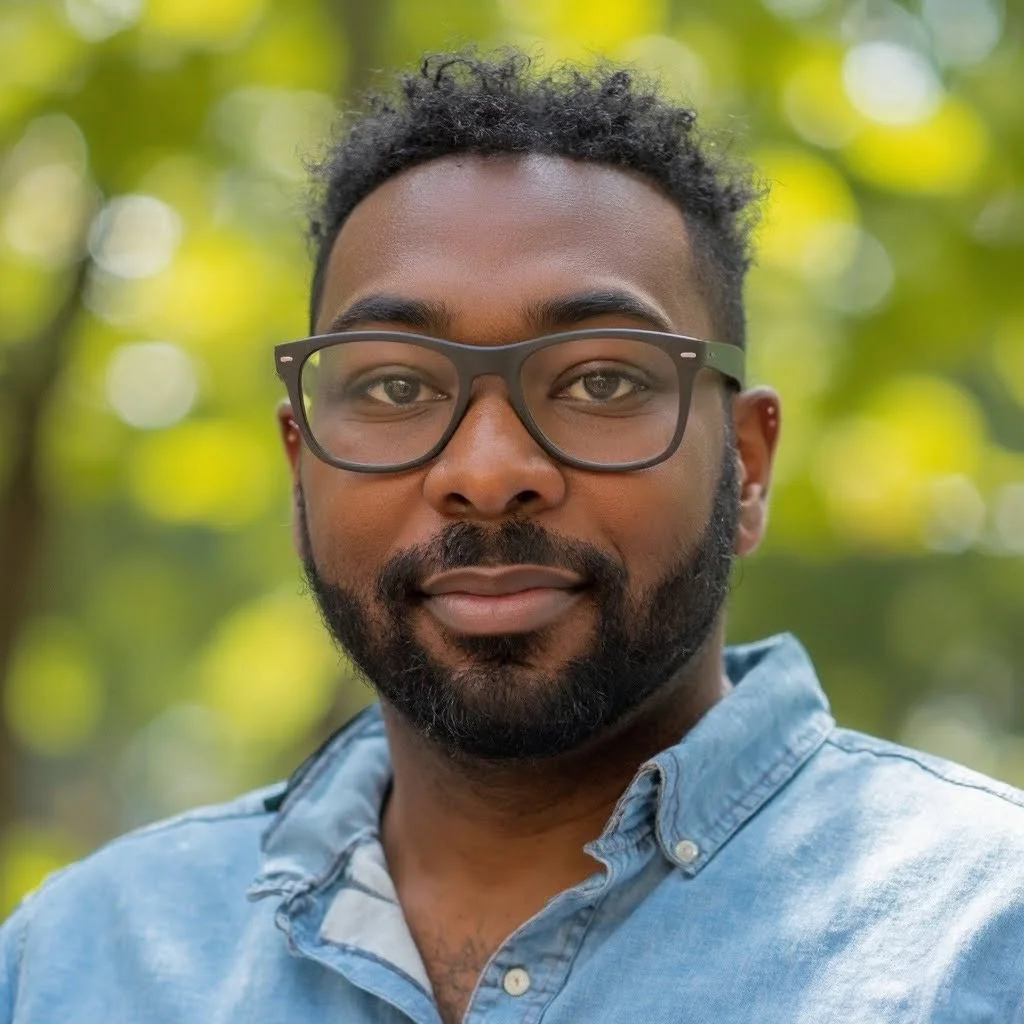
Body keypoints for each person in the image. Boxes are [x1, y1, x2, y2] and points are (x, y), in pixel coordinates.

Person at [2, 50, 1023, 1024]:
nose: (487, 475)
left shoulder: (982, 937)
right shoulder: (77, 962)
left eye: (600, 380)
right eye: (395, 385)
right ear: (300, 464)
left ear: (747, 465)